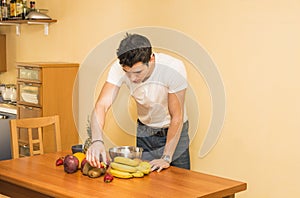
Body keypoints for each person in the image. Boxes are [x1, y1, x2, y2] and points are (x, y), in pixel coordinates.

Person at [86, 33, 190, 172]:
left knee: (181, 187)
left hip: (174, 132)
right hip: (145, 131)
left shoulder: (173, 68)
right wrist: (97, 141)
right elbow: (102, 105)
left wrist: (166, 158)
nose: (132, 78)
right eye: (127, 73)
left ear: (151, 59)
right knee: (144, 187)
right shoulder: (118, 68)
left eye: (138, 72)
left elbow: (176, 116)